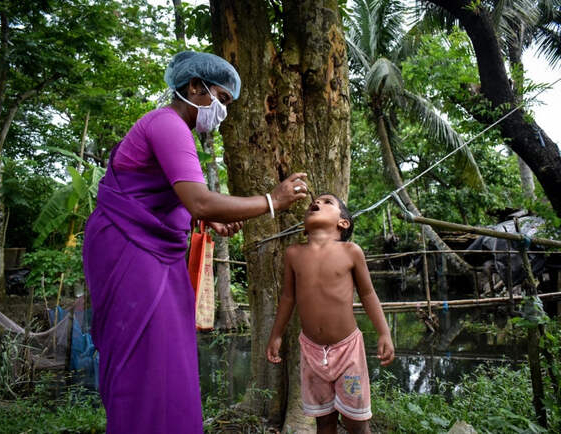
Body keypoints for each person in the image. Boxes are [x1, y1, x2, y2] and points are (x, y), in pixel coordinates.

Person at [83, 50, 309, 434]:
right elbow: (199, 197)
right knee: (144, 355)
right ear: (194, 87)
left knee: (169, 354)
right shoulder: (168, 125)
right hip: (129, 249)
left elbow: (170, 197)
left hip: (154, 252)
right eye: (221, 100)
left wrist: (203, 218)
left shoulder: (177, 131)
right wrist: (273, 201)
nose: (222, 111)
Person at [266, 193, 395, 434]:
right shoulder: (294, 254)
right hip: (311, 351)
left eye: (328, 202)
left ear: (342, 223)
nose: (317, 203)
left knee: (356, 423)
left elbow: (368, 295)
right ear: (305, 228)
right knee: (324, 421)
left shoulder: (351, 251)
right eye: (314, 203)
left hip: (348, 351)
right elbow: (288, 298)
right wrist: (276, 335)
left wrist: (384, 332)